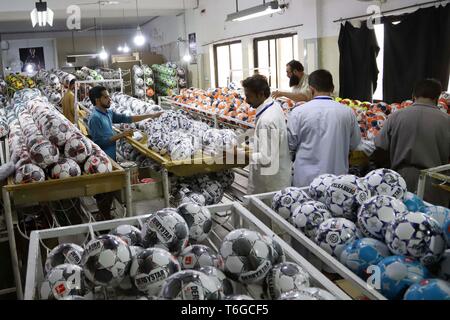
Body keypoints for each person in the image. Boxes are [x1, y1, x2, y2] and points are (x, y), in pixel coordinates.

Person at [88, 85, 163, 219]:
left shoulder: (108, 113)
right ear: (97, 100)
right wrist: (122, 135)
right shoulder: (95, 118)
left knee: (109, 193)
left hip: (112, 158)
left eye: (108, 96)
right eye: (105, 97)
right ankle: (103, 220)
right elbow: (100, 143)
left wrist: (152, 115)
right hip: (103, 161)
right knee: (104, 193)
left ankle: (105, 216)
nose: (109, 99)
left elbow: (128, 118)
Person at [373, 79, 450, 207]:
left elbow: (380, 148)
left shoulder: (396, 117)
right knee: (431, 223)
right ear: (437, 98)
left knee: (400, 221)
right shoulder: (446, 121)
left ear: (413, 96)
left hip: (399, 182)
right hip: (434, 185)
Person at [287, 69, 361, 187]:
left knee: (305, 205)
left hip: (305, 180)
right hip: (337, 181)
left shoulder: (298, 112)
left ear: (310, 89)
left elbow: (290, 145)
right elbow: (355, 143)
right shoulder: (348, 112)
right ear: (332, 88)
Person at [242, 74, 291, 195]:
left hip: (269, 184)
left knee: (264, 212)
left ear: (261, 94)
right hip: (274, 176)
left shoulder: (267, 120)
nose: (246, 101)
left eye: (249, 96)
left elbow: (265, 158)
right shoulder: (274, 106)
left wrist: (240, 155)